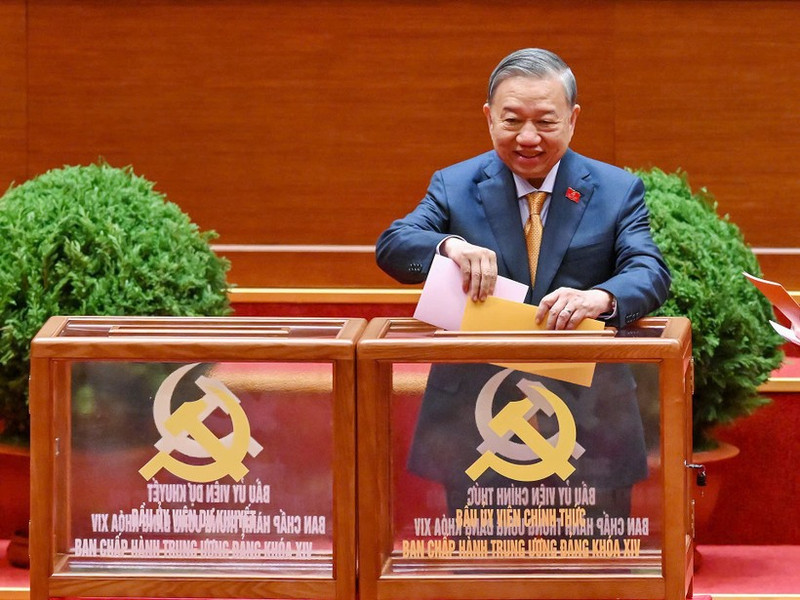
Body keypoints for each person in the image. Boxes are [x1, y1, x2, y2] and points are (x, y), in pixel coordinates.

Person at [376, 49, 671, 528]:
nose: (528, 138)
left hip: (590, 417)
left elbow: (649, 270)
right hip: (478, 418)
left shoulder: (617, 190)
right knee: (484, 561)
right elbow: (394, 246)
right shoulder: (455, 185)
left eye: (545, 122)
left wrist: (600, 298)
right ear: (489, 117)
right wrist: (448, 246)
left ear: (572, 120)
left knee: (594, 561)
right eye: (512, 120)